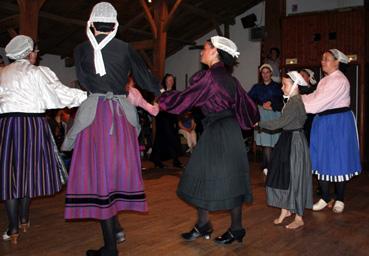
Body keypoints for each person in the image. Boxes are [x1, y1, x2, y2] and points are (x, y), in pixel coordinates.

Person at [62, 3, 160, 256]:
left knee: (99, 177)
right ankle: (114, 229)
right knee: (114, 175)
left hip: (95, 117)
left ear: (92, 22)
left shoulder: (80, 48)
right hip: (119, 116)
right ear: (115, 23)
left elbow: (84, 81)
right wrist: (159, 95)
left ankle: (110, 246)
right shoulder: (126, 48)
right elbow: (147, 80)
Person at [159, 36, 259, 244]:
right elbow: (249, 109)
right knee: (219, 178)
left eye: (204, 48)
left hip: (218, 132)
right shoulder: (231, 79)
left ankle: (233, 228)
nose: (201, 53)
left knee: (212, 177)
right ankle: (209, 225)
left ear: (215, 52)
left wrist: (163, 96)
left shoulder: (210, 77)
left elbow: (184, 101)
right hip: (228, 131)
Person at [0, 35, 87, 244]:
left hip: (6, 125)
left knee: (10, 175)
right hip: (31, 125)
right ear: (30, 53)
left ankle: (13, 227)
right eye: (36, 53)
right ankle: (23, 219)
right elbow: (61, 93)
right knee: (27, 173)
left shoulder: (2, 73)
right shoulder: (37, 73)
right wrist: (88, 95)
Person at [302, 49, 361, 213]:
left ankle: (340, 198)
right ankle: (325, 197)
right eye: (322, 59)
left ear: (337, 62)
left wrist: (298, 101)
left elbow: (317, 103)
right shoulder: (324, 81)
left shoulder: (339, 81)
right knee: (321, 157)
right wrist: (298, 98)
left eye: (326, 59)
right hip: (323, 122)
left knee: (338, 158)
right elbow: (313, 97)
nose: (322, 62)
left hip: (338, 122)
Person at [257, 71, 313, 230]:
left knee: (295, 177)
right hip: (287, 140)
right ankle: (285, 210)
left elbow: (280, 122)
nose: (282, 88)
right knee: (283, 175)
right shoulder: (291, 101)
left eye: (285, 85)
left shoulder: (295, 102)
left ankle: (299, 216)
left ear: (295, 86)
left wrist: (260, 123)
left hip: (294, 142)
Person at [249, 64, 283, 175]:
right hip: (262, 115)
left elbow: (283, 100)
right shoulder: (256, 87)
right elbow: (249, 100)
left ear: (271, 73)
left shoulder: (278, 86)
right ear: (261, 74)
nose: (265, 74)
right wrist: (260, 104)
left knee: (275, 143)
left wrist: (272, 103)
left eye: (267, 72)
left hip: (275, 115)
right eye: (263, 72)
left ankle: (272, 165)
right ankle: (268, 166)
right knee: (266, 143)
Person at [150, 73, 183, 168]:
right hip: (162, 117)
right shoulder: (161, 91)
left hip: (172, 117)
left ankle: (175, 160)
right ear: (165, 81)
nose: (171, 82)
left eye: (172, 80)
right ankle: (157, 160)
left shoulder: (175, 92)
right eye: (169, 80)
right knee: (161, 138)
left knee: (174, 137)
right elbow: (155, 102)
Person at [298, 68, 318, 143]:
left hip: (310, 122)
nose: (300, 77)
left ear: (309, 77)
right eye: (299, 76)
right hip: (298, 123)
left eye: (302, 76)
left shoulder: (314, 91)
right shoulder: (295, 90)